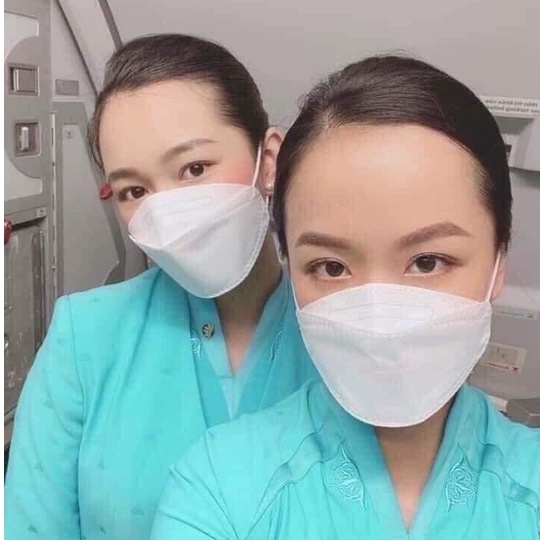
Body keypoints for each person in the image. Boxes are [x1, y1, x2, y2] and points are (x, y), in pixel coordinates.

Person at [150, 55, 540, 539]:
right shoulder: (219, 487)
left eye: (427, 262)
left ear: (499, 260)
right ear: (290, 265)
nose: (380, 319)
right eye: (331, 267)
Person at [4, 34, 317, 540]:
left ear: (269, 161)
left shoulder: (338, 332)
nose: (166, 212)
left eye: (194, 168)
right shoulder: (85, 339)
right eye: (134, 190)